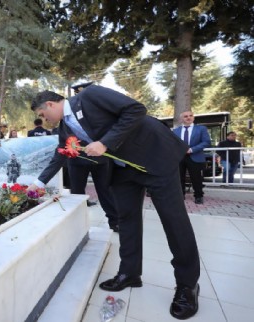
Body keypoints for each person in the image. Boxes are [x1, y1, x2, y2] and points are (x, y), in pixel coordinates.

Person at [27, 86, 200, 320]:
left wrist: (105, 143)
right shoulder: (65, 127)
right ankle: (129, 273)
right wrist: (38, 183)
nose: (44, 120)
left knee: (173, 220)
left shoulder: (89, 97)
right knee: (125, 220)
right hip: (123, 171)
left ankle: (187, 285)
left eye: (43, 114)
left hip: (155, 158)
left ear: (50, 104)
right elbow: (61, 153)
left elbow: (136, 110)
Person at [173, 112, 211, 204]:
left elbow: (206, 142)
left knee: (196, 178)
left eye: (190, 116)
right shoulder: (175, 131)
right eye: (185, 116)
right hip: (180, 157)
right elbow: (172, 143)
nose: (188, 118)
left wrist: (192, 150)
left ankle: (198, 196)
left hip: (195, 156)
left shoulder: (201, 129)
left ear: (193, 118)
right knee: (179, 178)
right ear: (182, 119)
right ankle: (180, 195)